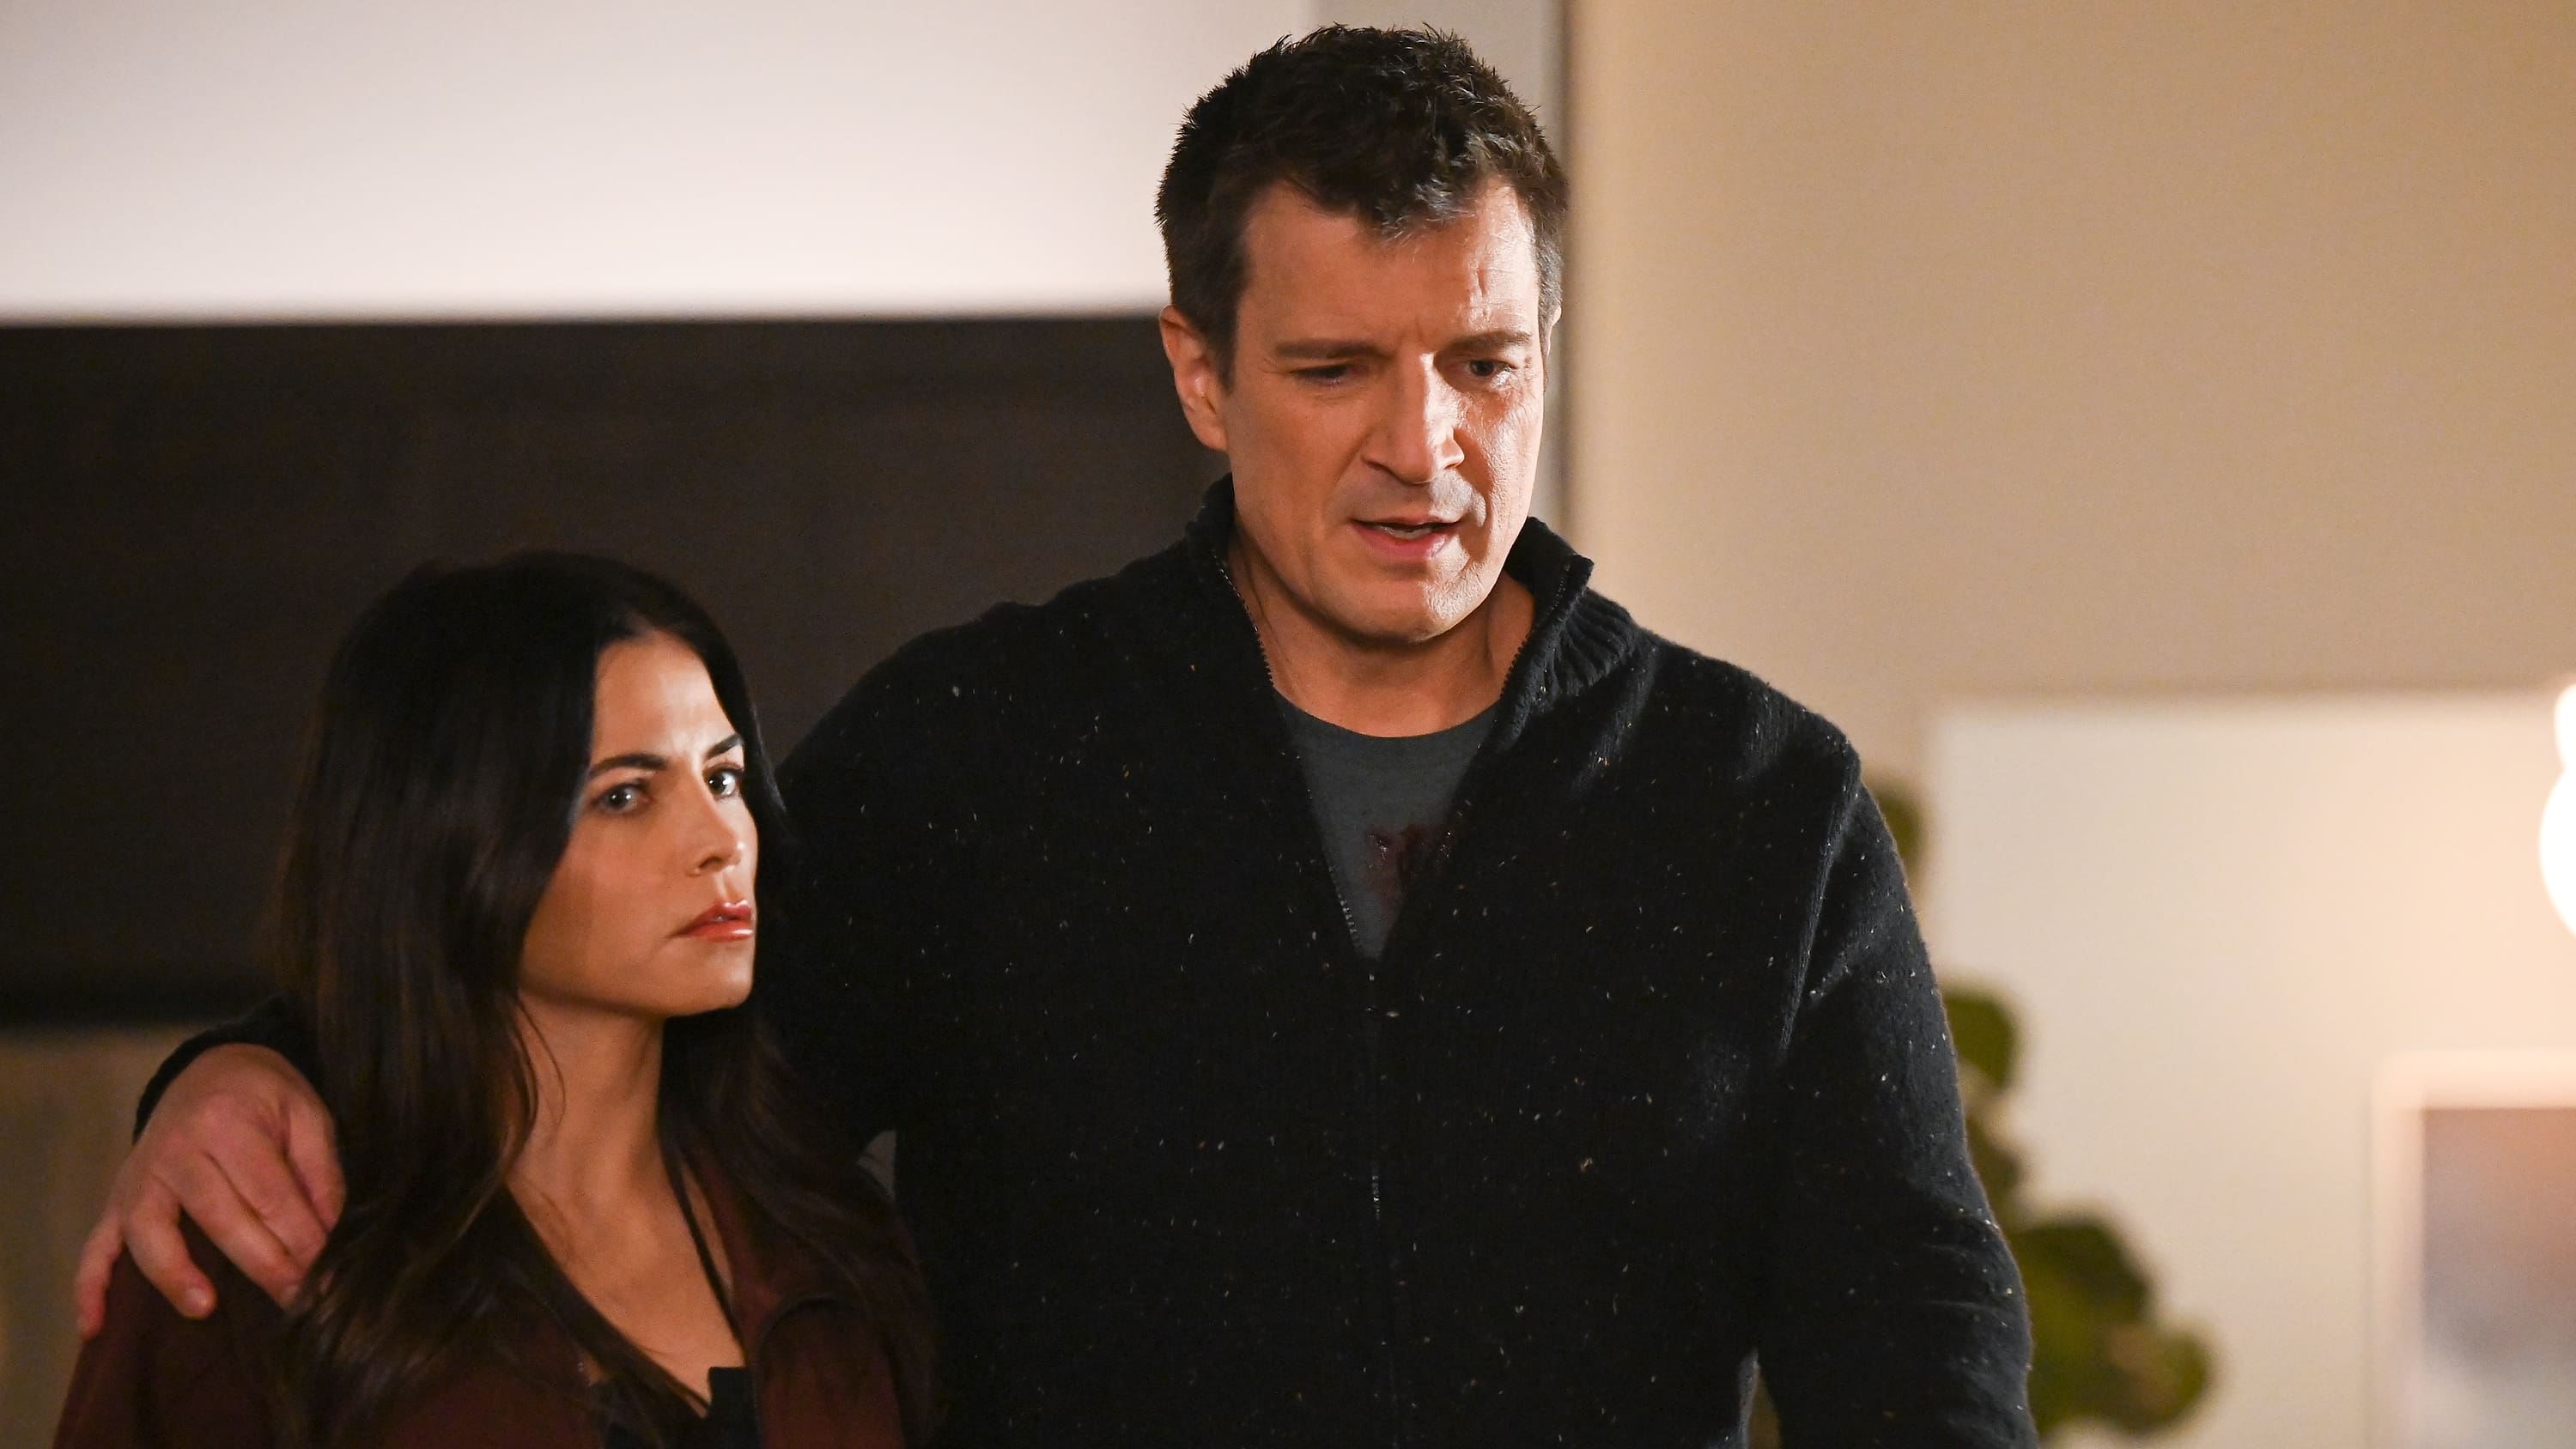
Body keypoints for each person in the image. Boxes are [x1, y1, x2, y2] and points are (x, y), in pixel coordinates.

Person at [79, 27, 2035, 1447]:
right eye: (1334, 367)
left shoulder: (1758, 805)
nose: (1422, 445)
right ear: (1198, 371)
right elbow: (618, 1020)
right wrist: (253, 1065)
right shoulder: (982, 754)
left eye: (1481, 363)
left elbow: (1920, 1353)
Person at [58, 555, 933, 1447]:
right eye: (625, 796)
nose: (721, 842)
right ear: (449, 841)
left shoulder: (826, 1241)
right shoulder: (258, 1236)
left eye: (723, 778)